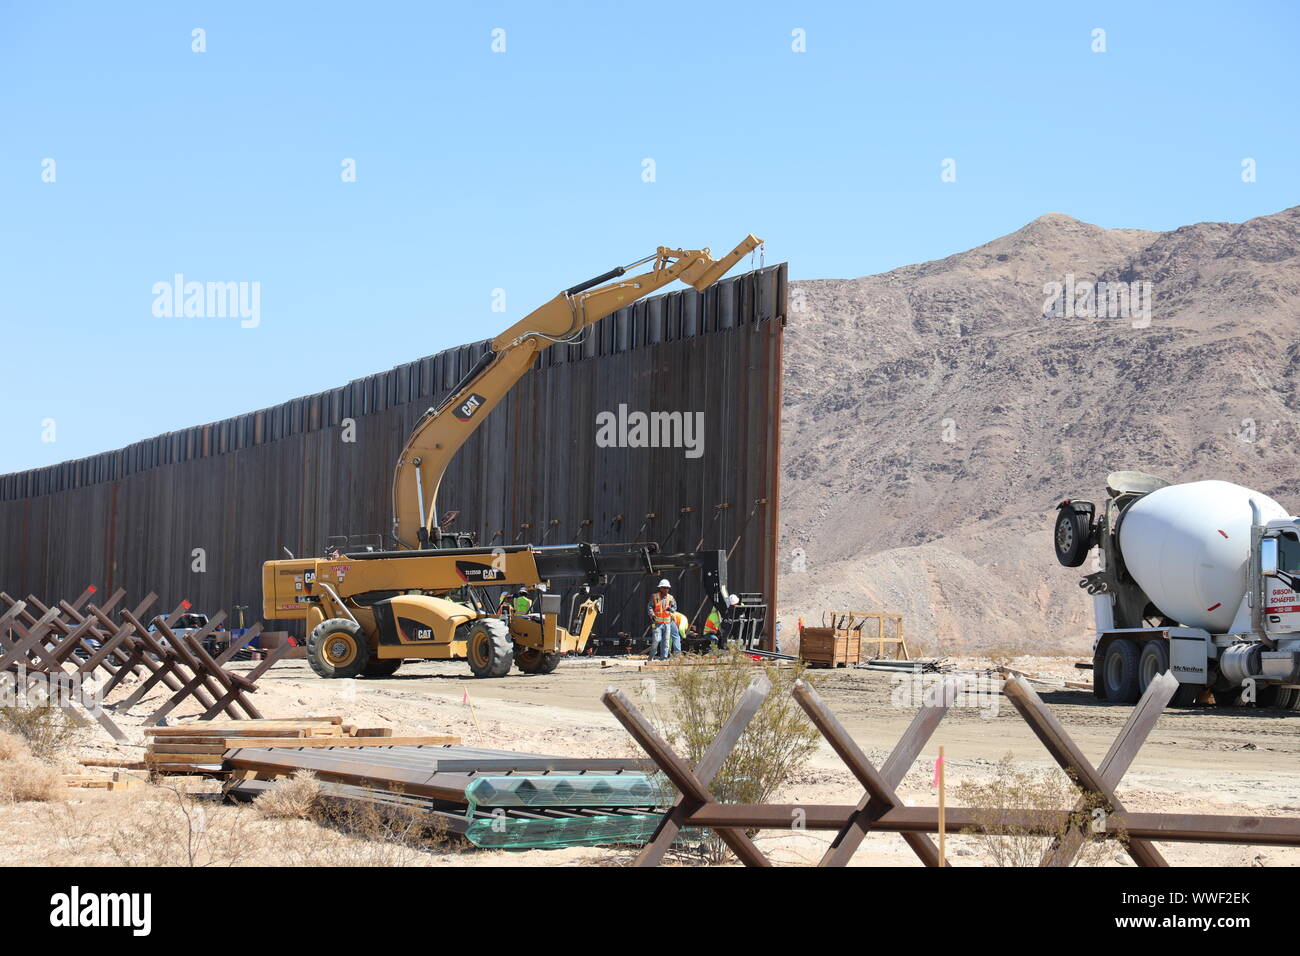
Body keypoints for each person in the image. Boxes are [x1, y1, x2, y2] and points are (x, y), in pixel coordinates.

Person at [647, 579, 678, 661]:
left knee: (666, 642)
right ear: (660, 588)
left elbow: (675, 608)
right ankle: (651, 656)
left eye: (667, 588)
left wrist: (670, 609)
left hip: (667, 623)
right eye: (664, 588)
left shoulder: (671, 598)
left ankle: (663, 658)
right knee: (656, 640)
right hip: (657, 623)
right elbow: (650, 607)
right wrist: (652, 614)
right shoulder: (655, 596)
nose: (666, 589)